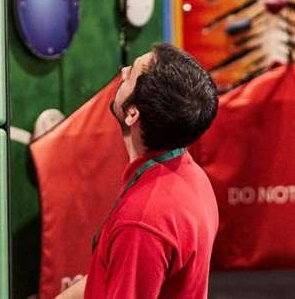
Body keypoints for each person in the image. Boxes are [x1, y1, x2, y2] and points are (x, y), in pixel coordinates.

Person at [59, 43, 221, 299]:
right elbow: (115, 271)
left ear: (133, 113)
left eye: (130, 74)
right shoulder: (190, 173)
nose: (122, 71)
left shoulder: (142, 220)